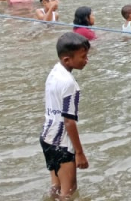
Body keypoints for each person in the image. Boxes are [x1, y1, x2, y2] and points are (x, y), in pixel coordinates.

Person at [40, 32, 89, 201]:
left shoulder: (55, 71)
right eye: (83, 56)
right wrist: (79, 153)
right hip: (61, 143)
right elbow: (69, 121)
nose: (86, 60)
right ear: (67, 60)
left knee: (56, 187)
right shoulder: (69, 84)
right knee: (68, 192)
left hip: (47, 138)